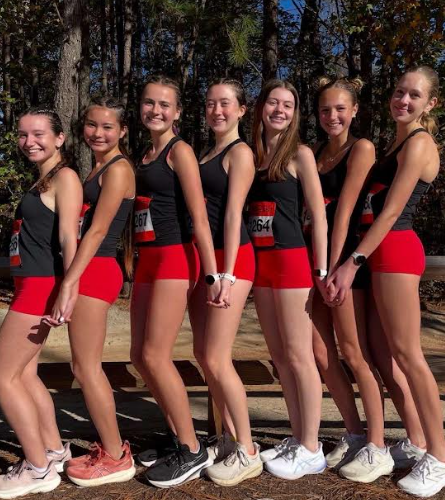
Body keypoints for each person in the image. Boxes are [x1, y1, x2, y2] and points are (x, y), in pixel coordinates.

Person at [329, 66, 444, 497]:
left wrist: (353, 261)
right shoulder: (396, 142)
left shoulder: (419, 143)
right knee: (384, 354)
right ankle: (415, 441)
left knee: (408, 354)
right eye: (399, 92)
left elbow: (392, 211)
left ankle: (439, 455)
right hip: (378, 254)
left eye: (415, 96)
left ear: (430, 104)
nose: (404, 100)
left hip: (394, 249)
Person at [130, 75, 221, 488]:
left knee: (155, 354)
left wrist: (212, 271)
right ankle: (175, 435)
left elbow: (199, 217)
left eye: (164, 105)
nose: (155, 111)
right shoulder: (144, 154)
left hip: (173, 257)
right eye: (149, 103)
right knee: (138, 354)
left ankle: (193, 449)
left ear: (178, 112)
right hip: (147, 259)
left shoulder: (179, 151)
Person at [47, 97, 136, 486]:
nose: (98, 133)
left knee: (86, 366)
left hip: (96, 268)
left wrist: (70, 280)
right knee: (83, 365)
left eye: (107, 127)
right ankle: (111, 449)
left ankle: (116, 456)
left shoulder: (117, 170)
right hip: (89, 266)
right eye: (92, 126)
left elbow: (98, 231)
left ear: (122, 131)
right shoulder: (96, 167)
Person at [308, 77, 389, 479]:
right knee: (322, 354)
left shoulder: (362, 149)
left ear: (355, 110)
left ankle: (378, 444)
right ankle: (355, 434)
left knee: (355, 354)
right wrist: (317, 267)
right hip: (317, 263)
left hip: (345, 265)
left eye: (340, 108)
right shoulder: (316, 152)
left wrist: (336, 267)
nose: (333, 116)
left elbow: (344, 213)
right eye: (325, 109)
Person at [247, 79, 328, 480]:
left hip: (293, 262)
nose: (280, 110)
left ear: (296, 113)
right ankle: (298, 437)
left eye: (289, 105)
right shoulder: (255, 155)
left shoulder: (300, 154)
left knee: (300, 356)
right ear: (261, 106)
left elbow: (319, 215)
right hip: (261, 263)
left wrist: (323, 268)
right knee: (280, 358)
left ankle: (312, 447)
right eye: (274, 102)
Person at [0, 108, 82, 498]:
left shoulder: (65, 177)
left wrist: (70, 287)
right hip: (27, 283)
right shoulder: (41, 181)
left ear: (60, 138)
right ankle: (52, 451)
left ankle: (36, 468)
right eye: (22, 134)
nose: (29, 141)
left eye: (39, 134)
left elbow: (70, 239)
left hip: (39, 288)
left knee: (1, 376)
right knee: (26, 374)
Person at [188, 79, 262, 486]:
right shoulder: (206, 154)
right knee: (203, 353)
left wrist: (227, 275)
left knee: (217, 357)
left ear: (241, 110)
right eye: (211, 103)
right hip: (208, 262)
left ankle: (248, 449)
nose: (217, 110)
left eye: (225, 104)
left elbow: (234, 216)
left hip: (232, 262)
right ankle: (228, 438)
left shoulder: (240, 153)